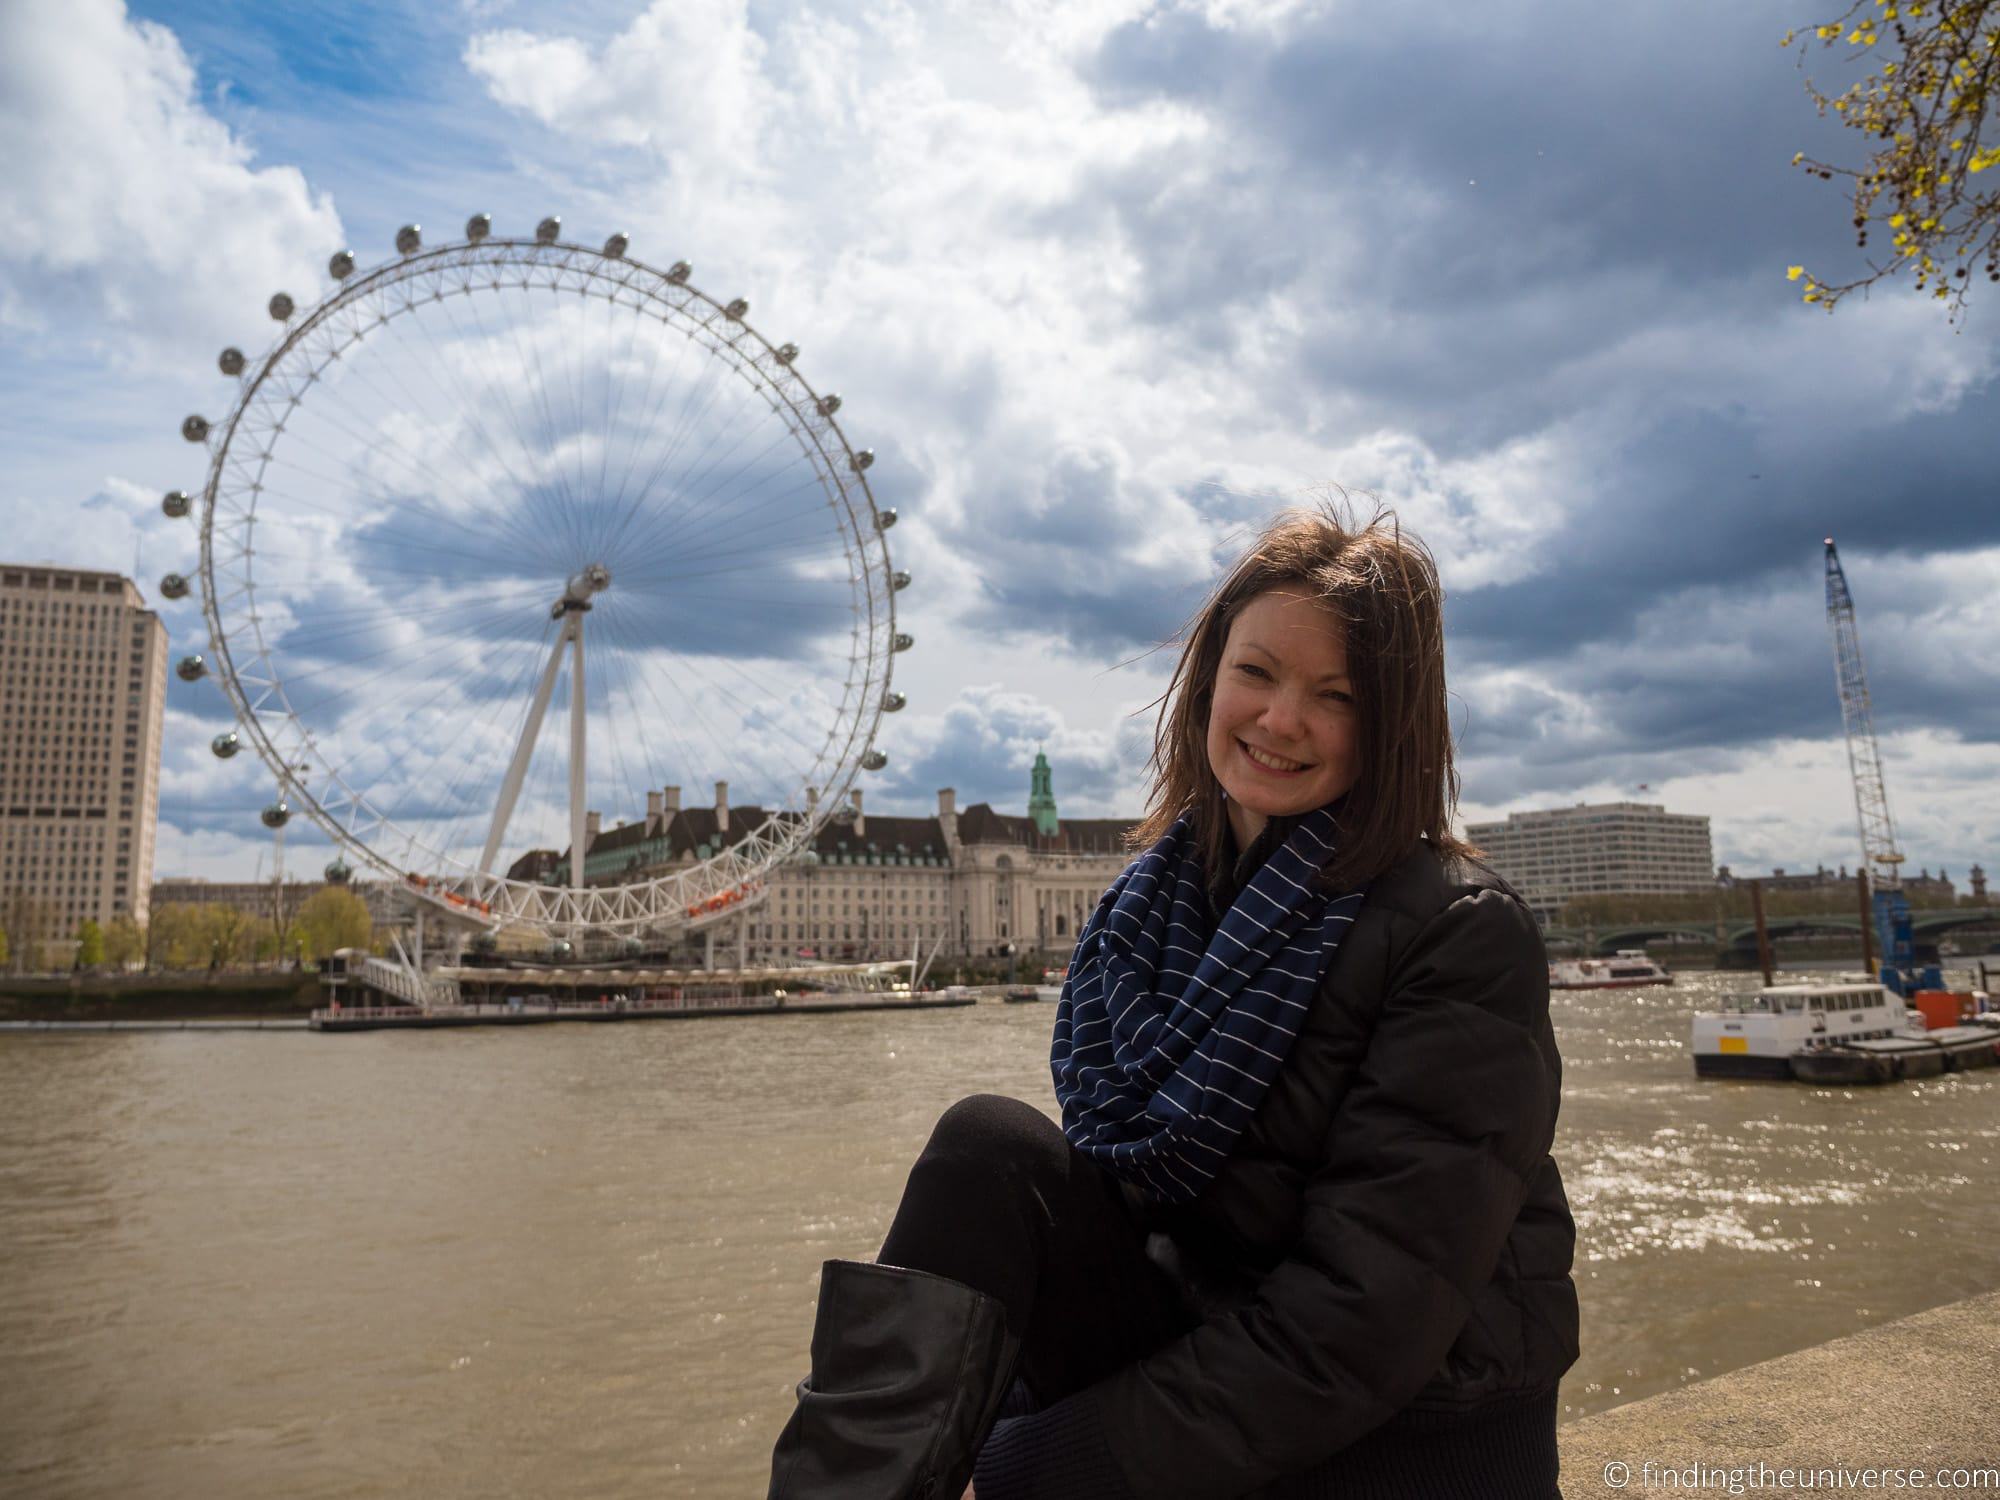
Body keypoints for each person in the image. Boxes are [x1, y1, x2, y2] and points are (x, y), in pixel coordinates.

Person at [767, 506, 1578, 1499]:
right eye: (1257, 673)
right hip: (1214, 1353)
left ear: (1390, 724)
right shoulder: (1153, 911)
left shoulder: (1457, 932)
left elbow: (1363, 1324)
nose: (1280, 719)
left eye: (1333, 695)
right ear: (1207, 682)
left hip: (1407, 1439)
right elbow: (1130, 1219)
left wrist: (1045, 1461)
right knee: (989, 1151)